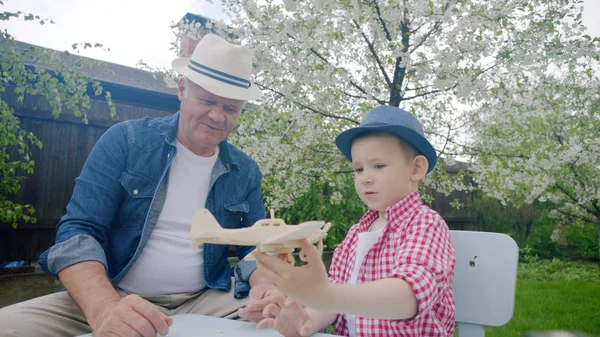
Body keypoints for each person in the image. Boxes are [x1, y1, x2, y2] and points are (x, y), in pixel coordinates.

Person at [0, 34, 282, 337]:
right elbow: (79, 231)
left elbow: (256, 247)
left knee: (292, 315)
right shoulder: (125, 140)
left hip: (207, 298)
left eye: (230, 108)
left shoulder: (246, 170)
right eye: (208, 100)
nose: (217, 116)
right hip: (115, 293)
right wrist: (105, 308)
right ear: (182, 88)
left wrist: (265, 287)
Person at [253, 105, 457, 336]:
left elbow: (409, 295)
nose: (365, 178)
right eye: (358, 169)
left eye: (378, 166)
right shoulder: (356, 233)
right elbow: (332, 303)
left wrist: (327, 294)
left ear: (416, 168)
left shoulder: (425, 224)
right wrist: (306, 320)